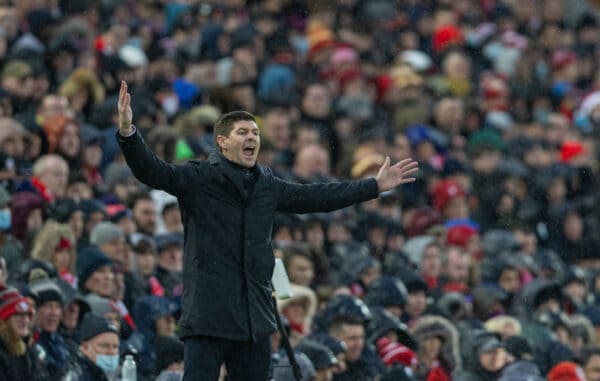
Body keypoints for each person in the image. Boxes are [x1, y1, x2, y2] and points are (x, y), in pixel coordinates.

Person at [116, 80, 418, 380]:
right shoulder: (199, 178)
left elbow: (317, 197)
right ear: (222, 141)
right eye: (243, 132)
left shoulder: (267, 185)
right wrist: (129, 134)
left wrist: (374, 186)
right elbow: (152, 171)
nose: (252, 137)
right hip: (209, 315)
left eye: (256, 133)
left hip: (255, 318)